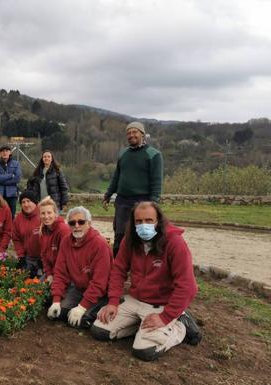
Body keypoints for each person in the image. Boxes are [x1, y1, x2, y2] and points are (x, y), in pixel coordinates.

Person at [90, 201, 202, 361]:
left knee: (144, 351)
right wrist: (113, 301)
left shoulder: (174, 243)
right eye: (139, 221)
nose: (144, 225)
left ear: (159, 221)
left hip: (161, 305)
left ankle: (180, 325)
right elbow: (118, 270)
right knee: (99, 330)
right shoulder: (130, 240)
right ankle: (141, 326)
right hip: (135, 299)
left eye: (149, 220)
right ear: (133, 222)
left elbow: (188, 286)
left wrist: (165, 317)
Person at [103, 121, 163, 257]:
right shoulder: (123, 153)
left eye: (135, 132)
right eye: (129, 133)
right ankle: (117, 269)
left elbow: (156, 182)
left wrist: (153, 204)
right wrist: (108, 194)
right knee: (120, 236)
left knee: (143, 236)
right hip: (122, 201)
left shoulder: (153, 154)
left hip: (143, 201)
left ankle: (144, 268)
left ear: (142, 134)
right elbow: (117, 176)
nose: (131, 135)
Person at [47, 206, 112, 329]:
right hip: (79, 289)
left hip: (101, 292)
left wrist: (82, 307)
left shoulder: (100, 245)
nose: (76, 226)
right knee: (61, 313)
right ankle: (81, 307)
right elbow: (60, 273)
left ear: (89, 223)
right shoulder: (66, 241)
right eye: (72, 223)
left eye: (81, 222)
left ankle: (103, 305)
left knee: (82, 320)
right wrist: (56, 300)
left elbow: (99, 282)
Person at [38, 197, 71, 284]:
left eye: (49, 213)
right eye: (43, 213)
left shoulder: (63, 230)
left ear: (55, 213)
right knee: (35, 290)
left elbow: (66, 259)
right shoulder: (43, 230)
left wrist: (54, 276)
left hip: (65, 274)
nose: (46, 216)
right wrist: (49, 274)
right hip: (51, 272)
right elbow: (44, 256)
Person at [12, 190, 42, 277]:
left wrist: (44, 258)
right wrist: (21, 256)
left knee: (41, 283)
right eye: (23, 202)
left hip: (42, 258)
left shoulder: (43, 215)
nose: (26, 204)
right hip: (27, 257)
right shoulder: (18, 219)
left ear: (35, 202)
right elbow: (16, 239)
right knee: (23, 280)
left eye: (28, 201)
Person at [0, 145, 22, 218]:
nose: (5, 153)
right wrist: (11, 175)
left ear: (10, 152)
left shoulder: (16, 164)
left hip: (12, 195)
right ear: (0, 153)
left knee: (11, 216)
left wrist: (1, 179)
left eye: (6, 151)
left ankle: (11, 229)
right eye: (3, 151)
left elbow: (17, 178)